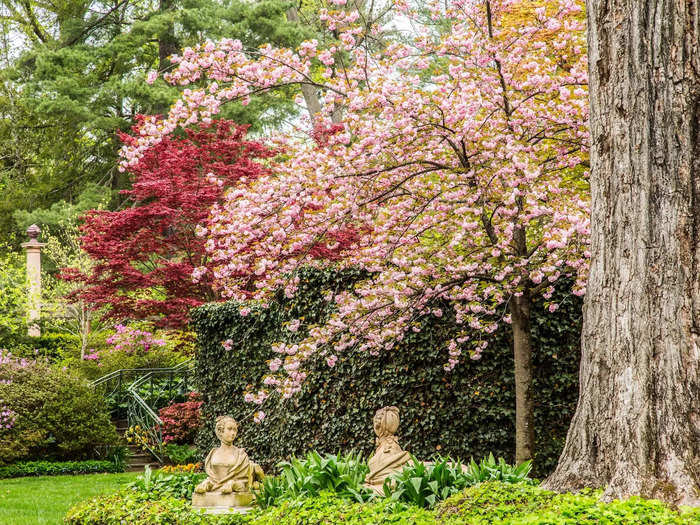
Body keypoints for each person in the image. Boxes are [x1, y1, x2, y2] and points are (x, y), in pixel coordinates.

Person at [194, 415, 263, 494]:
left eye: (235, 430)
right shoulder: (212, 453)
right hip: (216, 485)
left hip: (237, 485)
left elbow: (244, 482)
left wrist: (232, 484)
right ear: (220, 431)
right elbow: (212, 478)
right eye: (229, 429)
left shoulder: (241, 455)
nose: (233, 433)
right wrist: (206, 483)